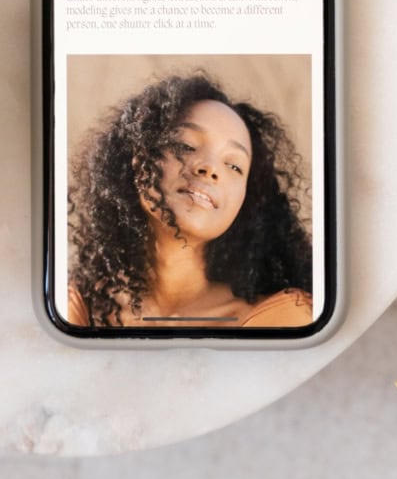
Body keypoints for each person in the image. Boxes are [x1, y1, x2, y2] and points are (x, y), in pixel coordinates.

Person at [67, 72, 313, 329]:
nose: (210, 168)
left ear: (246, 203)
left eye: (234, 166)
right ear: (139, 162)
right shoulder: (77, 305)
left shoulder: (285, 317)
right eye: (186, 145)